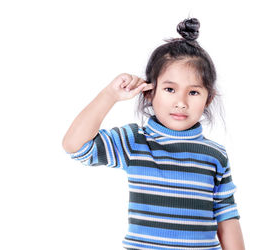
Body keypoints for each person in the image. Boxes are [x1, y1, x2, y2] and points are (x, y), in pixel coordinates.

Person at [62, 17, 245, 250]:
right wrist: (110, 95)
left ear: (208, 98)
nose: (180, 102)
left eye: (194, 92)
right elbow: (75, 145)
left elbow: (226, 215)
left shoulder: (215, 155)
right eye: (170, 89)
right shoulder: (135, 142)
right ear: (149, 92)